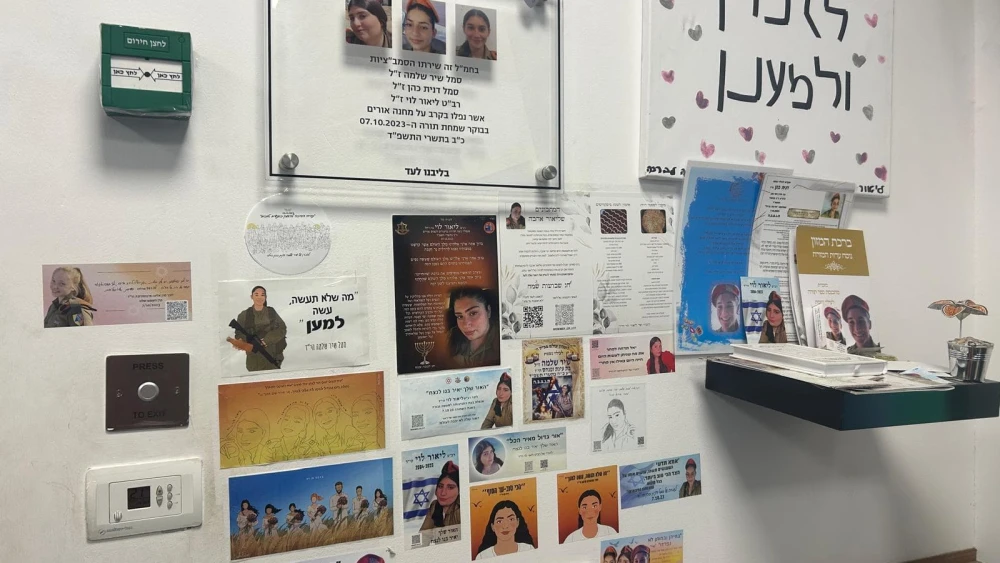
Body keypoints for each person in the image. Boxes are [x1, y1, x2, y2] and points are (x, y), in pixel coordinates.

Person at [234, 286, 287, 371]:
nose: (259, 297)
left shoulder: (271, 312)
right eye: (256, 295)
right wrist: (245, 341)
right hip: (254, 359)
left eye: (262, 295)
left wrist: (266, 340)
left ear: (266, 297)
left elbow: (282, 328)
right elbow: (239, 333)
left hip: (273, 356)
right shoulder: (244, 315)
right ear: (251, 297)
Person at [447, 286, 501, 368]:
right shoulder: (451, 336)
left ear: (488, 311)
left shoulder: (502, 341)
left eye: (473, 313)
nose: (466, 324)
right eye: (460, 316)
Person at [420, 460, 461, 530]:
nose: (443, 493)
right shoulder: (434, 505)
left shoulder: (460, 510)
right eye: (440, 486)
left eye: (450, 487)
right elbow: (424, 532)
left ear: (459, 490)